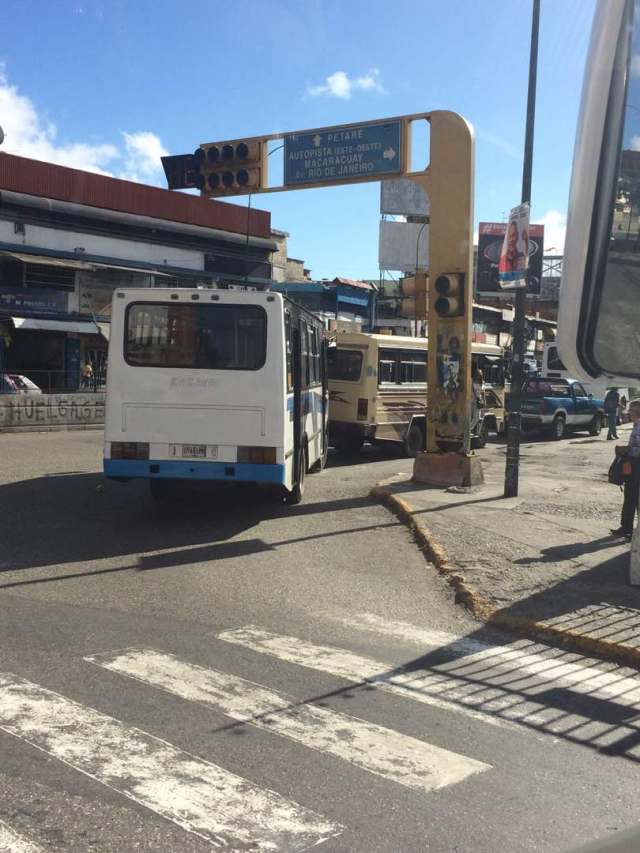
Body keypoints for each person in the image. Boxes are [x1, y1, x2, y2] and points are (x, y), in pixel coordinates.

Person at [611, 399, 640, 541]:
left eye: (631, 411)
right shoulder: (636, 425)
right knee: (629, 496)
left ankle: (629, 529)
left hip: (637, 465)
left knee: (633, 497)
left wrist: (626, 449)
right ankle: (626, 527)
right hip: (633, 464)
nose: (628, 413)